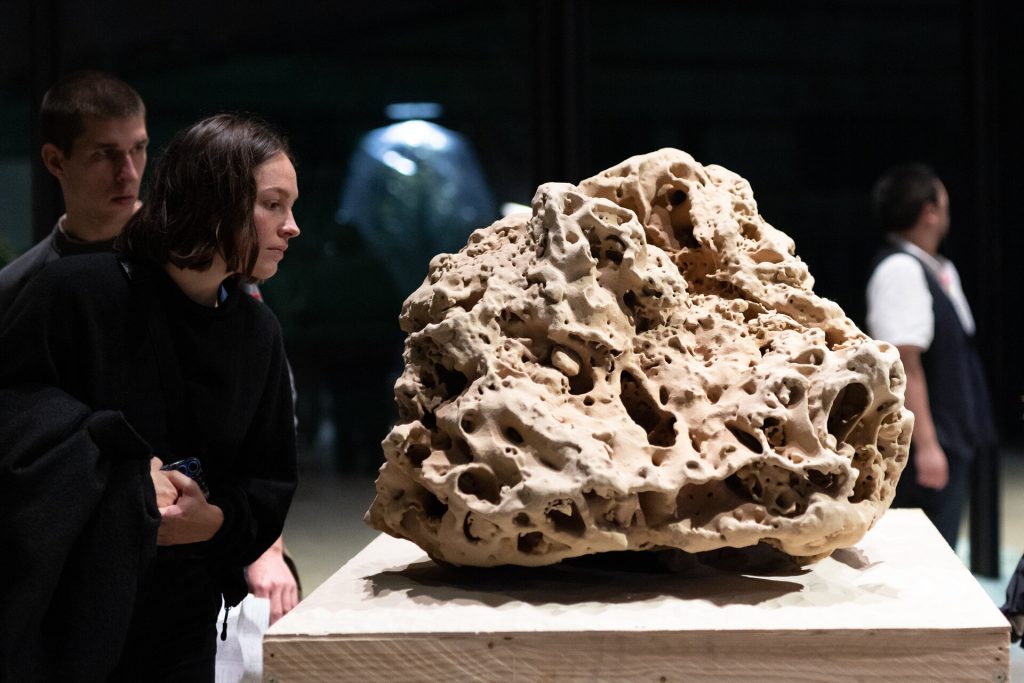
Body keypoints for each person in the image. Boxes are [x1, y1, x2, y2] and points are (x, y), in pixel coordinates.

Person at [0, 113, 300, 682]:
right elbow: (15, 416)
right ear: (214, 200)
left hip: (183, 625)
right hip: (61, 622)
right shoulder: (75, 293)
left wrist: (214, 521)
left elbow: (269, 482)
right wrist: (125, 468)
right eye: (272, 205)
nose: (292, 227)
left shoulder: (257, 331)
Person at [865, 163, 996, 548]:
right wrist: (926, 446)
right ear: (929, 211)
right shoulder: (900, 269)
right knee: (923, 554)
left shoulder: (936, 267)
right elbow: (905, 363)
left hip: (954, 438)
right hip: (931, 444)